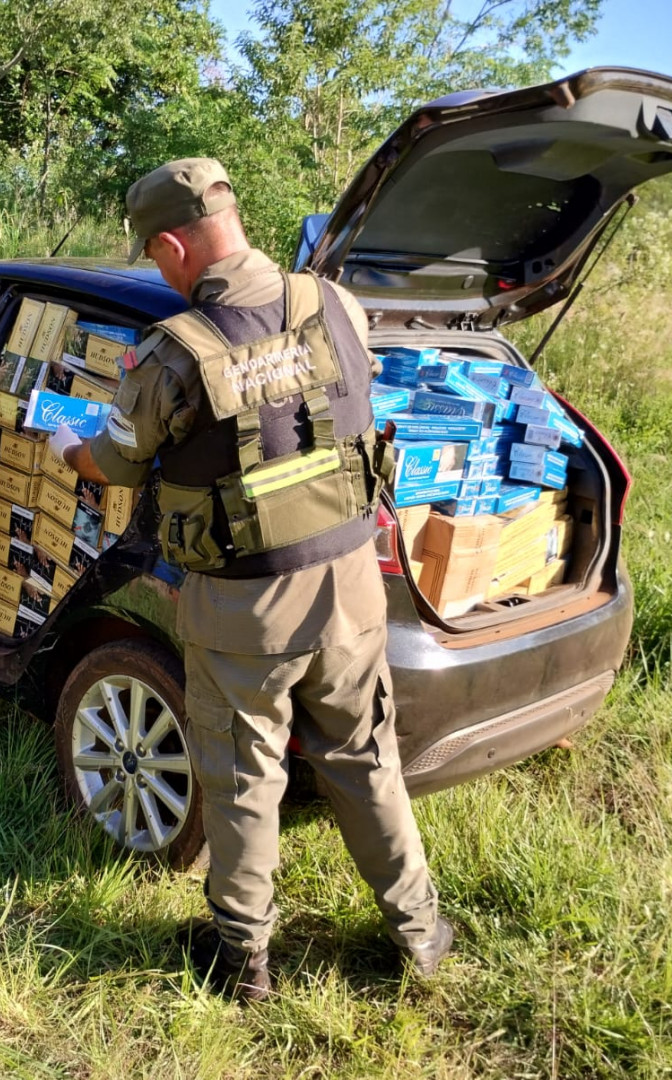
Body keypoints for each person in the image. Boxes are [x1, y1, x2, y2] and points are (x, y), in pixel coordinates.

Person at [49, 158, 452, 1002]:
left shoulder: (174, 355)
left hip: (245, 609)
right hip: (350, 583)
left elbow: (117, 462)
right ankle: (419, 935)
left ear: (171, 243)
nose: (158, 271)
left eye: (155, 257)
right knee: (365, 757)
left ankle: (242, 961)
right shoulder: (334, 302)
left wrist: (65, 450)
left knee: (241, 778)